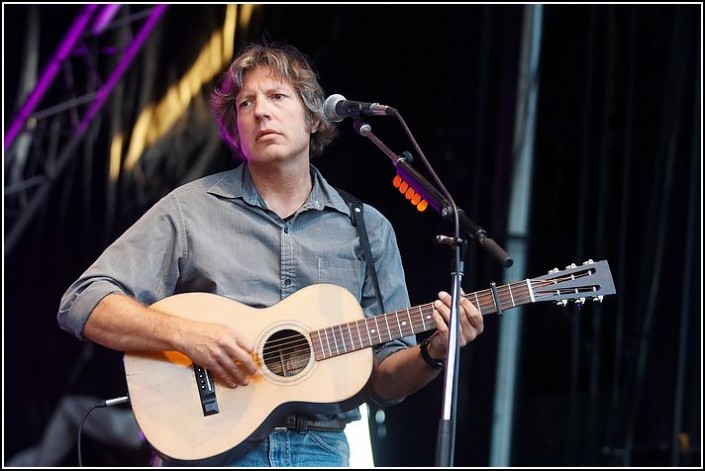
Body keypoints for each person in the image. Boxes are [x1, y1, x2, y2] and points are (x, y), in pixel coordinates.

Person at [57, 40, 484, 467]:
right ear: (235, 129)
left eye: (278, 96)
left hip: (321, 451)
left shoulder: (367, 228)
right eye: (246, 104)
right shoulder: (190, 210)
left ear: (314, 118)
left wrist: (435, 352)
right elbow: (83, 301)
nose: (261, 111)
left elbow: (385, 381)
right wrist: (188, 336)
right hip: (211, 450)